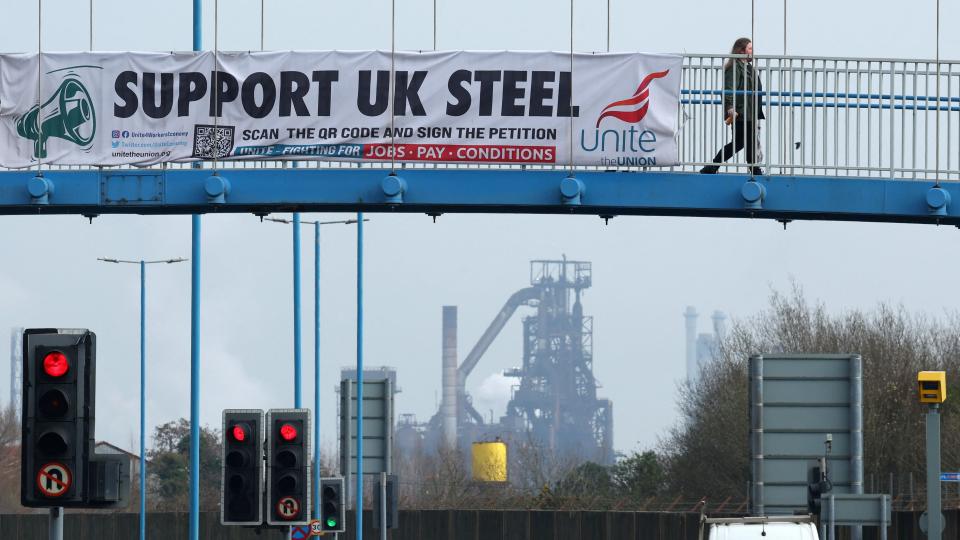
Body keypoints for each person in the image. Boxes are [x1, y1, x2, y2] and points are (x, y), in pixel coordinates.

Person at [700, 37, 765, 175]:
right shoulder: (735, 68)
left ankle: (753, 168)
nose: (752, 52)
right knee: (739, 143)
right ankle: (713, 166)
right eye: (750, 49)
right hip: (740, 112)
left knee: (749, 141)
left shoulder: (748, 68)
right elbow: (728, 89)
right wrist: (730, 107)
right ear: (741, 51)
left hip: (750, 112)